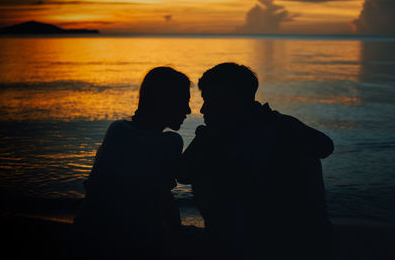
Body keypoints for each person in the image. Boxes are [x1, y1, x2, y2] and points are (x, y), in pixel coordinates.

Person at [178, 62, 335, 259]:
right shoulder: (276, 124)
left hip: (264, 240)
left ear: (231, 101)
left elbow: (185, 173)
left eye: (210, 101)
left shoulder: (273, 129)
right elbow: (183, 173)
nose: (202, 110)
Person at [72, 66, 191, 259]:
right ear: (165, 103)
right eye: (183, 102)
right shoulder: (170, 141)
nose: (188, 110)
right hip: (131, 242)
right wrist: (178, 236)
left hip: (87, 234)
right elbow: (165, 194)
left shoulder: (116, 130)